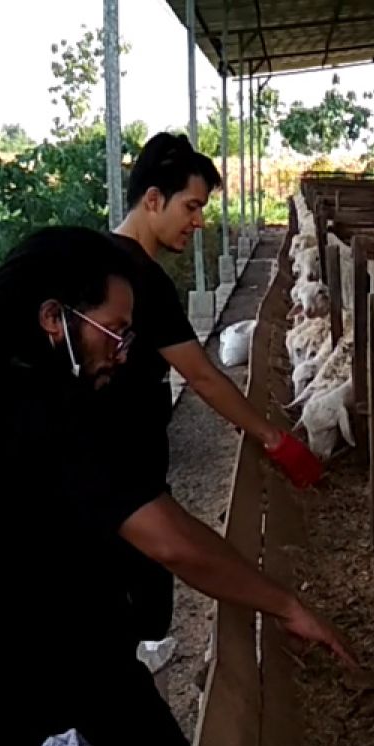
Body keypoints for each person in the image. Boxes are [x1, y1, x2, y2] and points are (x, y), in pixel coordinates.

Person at [0, 226, 355, 746]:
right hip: (72, 705)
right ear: (54, 317)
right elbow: (172, 542)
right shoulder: (53, 414)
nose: (121, 352)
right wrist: (285, 604)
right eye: (113, 331)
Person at [105, 132, 322, 644]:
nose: (199, 222)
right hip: (120, 469)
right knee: (138, 602)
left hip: (115, 463)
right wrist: (274, 438)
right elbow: (201, 375)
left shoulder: (102, 261)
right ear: (153, 199)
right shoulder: (141, 278)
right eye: (192, 206)